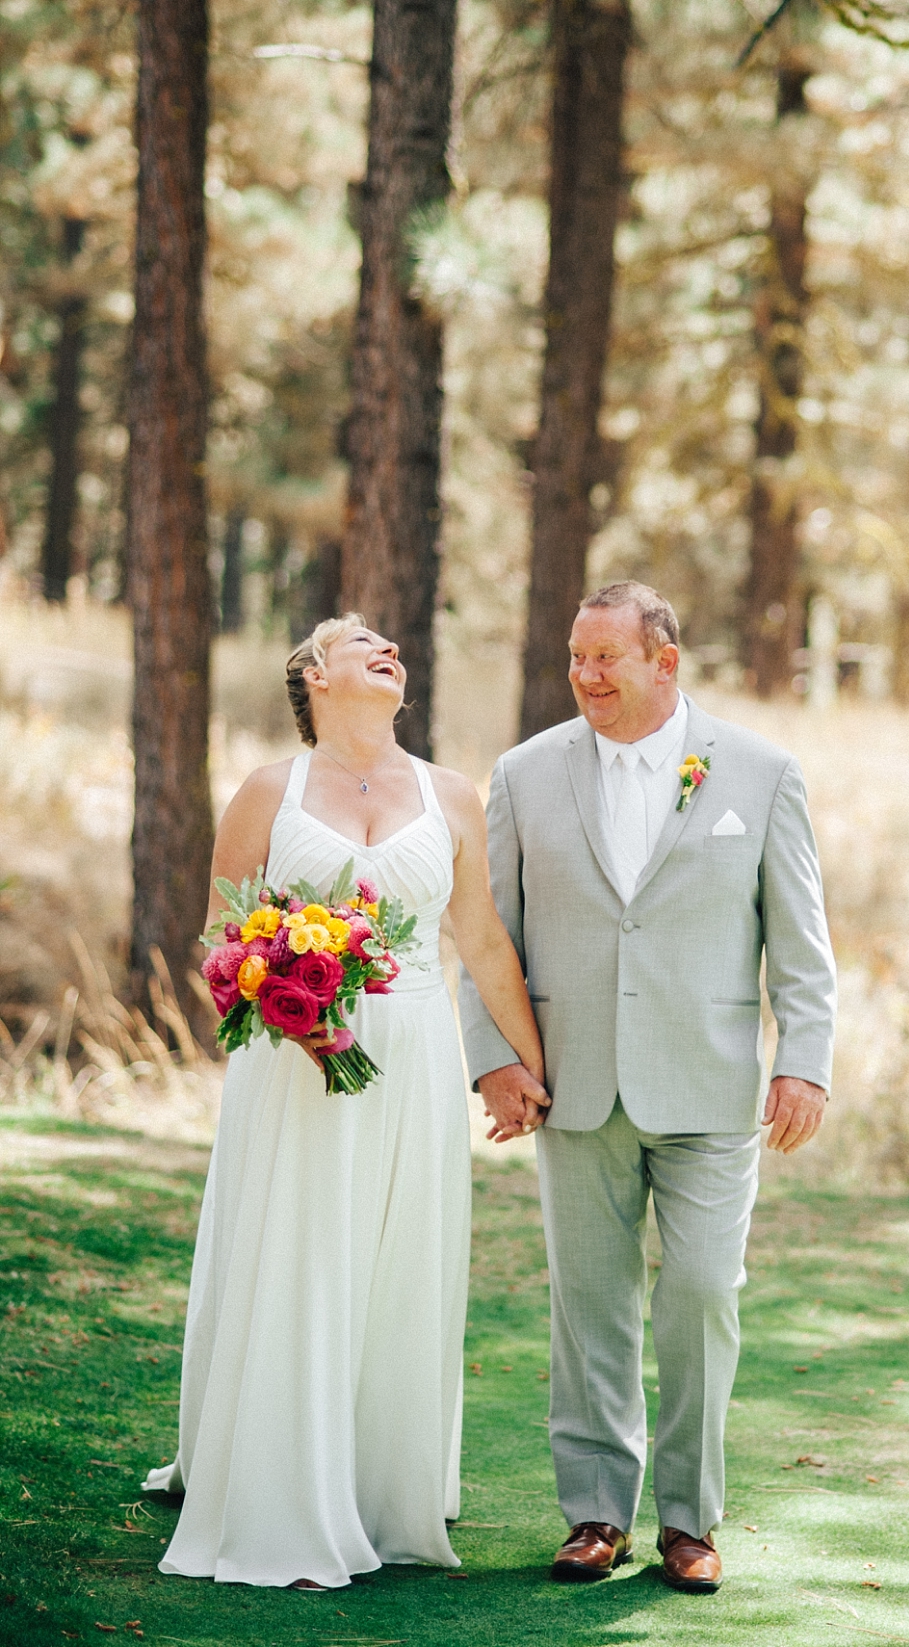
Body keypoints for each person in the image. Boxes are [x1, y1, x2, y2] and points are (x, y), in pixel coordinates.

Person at [144, 614, 548, 1590]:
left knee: (397, 1262)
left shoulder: (452, 795)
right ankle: (278, 1490)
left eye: (391, 644)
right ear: (313, 675)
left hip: (411, 1057)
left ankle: (379, 1492)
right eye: (357, 639)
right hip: (293, 1067)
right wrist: (283, 1002)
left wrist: (530, 1066)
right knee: (299, 1254)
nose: (385, 648)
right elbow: (217, 939)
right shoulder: (266, 793)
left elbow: (484, 941)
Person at [459, 581, 836, 1594]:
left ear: (663, 662)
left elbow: (801, 939)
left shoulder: (759, 773)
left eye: (604, 659)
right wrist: (492, 1055)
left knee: (703, 1296)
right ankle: (592, 1514)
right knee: (590, 1306)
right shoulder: (526, 774)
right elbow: (487, 930)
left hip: (712, 1089)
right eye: (576, 659)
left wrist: (805, 1056)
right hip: (573, 1085)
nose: (585, 677)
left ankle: (689, 1519)